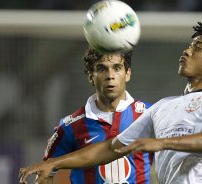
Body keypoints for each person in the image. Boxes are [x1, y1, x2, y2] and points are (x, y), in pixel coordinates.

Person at [19, 15, 202, 184]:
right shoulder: (163, 106)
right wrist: (54, 163)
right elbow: (111, 148)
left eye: (197, 47)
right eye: (189, 45)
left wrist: (162, 143)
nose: (187, 51)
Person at [37, 48, 153, 184]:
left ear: (127, 74)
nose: (110, 75)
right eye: (102, 69)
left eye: (117, 68)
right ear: (91, 77)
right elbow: (45, 171)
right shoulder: (70, 126)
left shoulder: (149, 114)